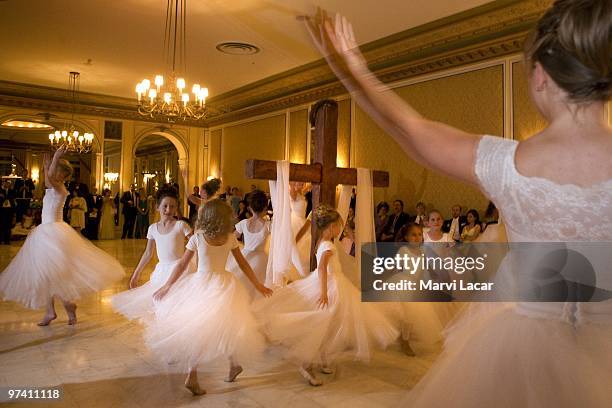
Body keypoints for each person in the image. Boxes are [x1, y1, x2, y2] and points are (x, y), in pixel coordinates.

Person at [305, 2, 612, 405]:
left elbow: (411, 131)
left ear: (540, 76)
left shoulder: (506, 163)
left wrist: (349, 68)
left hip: (522, 348)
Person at [253, 205, 399, 386]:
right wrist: (323, 292)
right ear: (331, 227)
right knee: (323, 323)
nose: (340, 229)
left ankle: (321, 359)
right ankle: (307, 364)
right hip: (330, 285)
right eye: (339, 225)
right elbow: (322, 268)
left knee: (328, 324)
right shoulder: (328, 245)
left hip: (332, 283)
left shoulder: (321, 241)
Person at [147, 199, 272, 396]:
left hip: (202, 284)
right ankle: (202, 373)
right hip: (224, 285)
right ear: (225, 218)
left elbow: (181, 265)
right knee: (223, 326)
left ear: (205, 217)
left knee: (205, 328)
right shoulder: (229, 238)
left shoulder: (198, 237)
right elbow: (243, 265)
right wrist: (258, 285)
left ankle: (217, 369)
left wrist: (168, 285)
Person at [0, 147, 123, 326]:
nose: (52, 172)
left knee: (55, 275)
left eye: (55, 169)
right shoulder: (54, 186)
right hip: (45, 232)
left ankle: (67, 306)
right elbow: (46, 179)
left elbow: (48, 179)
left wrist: (56, 157)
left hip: (53, 234)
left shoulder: (59, 187)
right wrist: (47, 164)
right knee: (45, 275)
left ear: (62, 174)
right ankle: (54, 310)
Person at [112, 187, 192, 321]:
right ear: (157, 207)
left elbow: (196, 243)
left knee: (177, 303)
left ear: (176, 208)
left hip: (180, 269)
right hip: (162, 270)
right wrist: (136, 273)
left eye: (172, 207)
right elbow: (148, 253)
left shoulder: (181, 225)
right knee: (158, 302)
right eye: (165, 206)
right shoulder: (152, 228)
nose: (168, 210)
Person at [226, 190, 271, 300]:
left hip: (245, 255)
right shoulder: (269, 225)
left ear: (250, 207)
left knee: (242, 283)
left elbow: (232, 238)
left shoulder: (244, 223)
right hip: (261, 259)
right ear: (265, 207)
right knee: (257, 287)